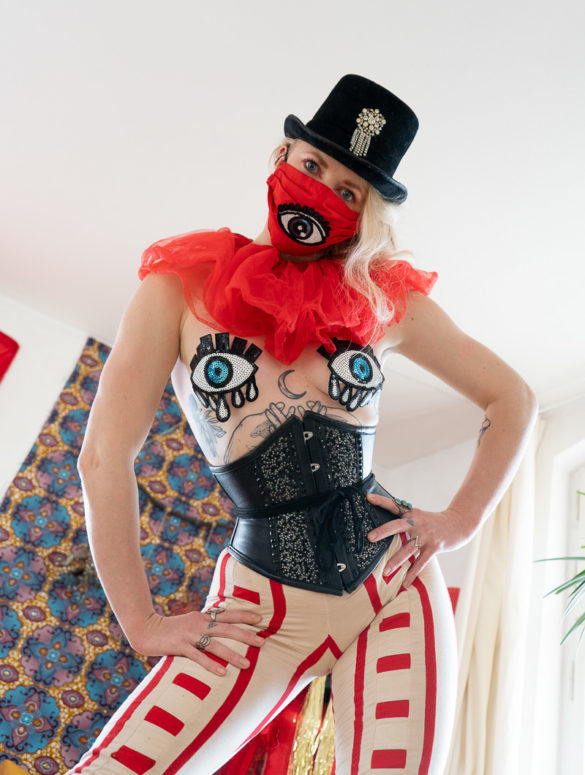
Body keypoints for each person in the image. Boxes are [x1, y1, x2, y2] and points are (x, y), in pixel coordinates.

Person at [70, 74, 537, 774]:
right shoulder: (179, 286)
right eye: (313, 165)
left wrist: (461, 519)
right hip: (256, 609)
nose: (321, 192)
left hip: (392, 587)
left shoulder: (382, 299)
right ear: (280, 157)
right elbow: (105, 456)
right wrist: (141, 622)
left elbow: (511, 397)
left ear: (365, 214)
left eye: (349, 191)